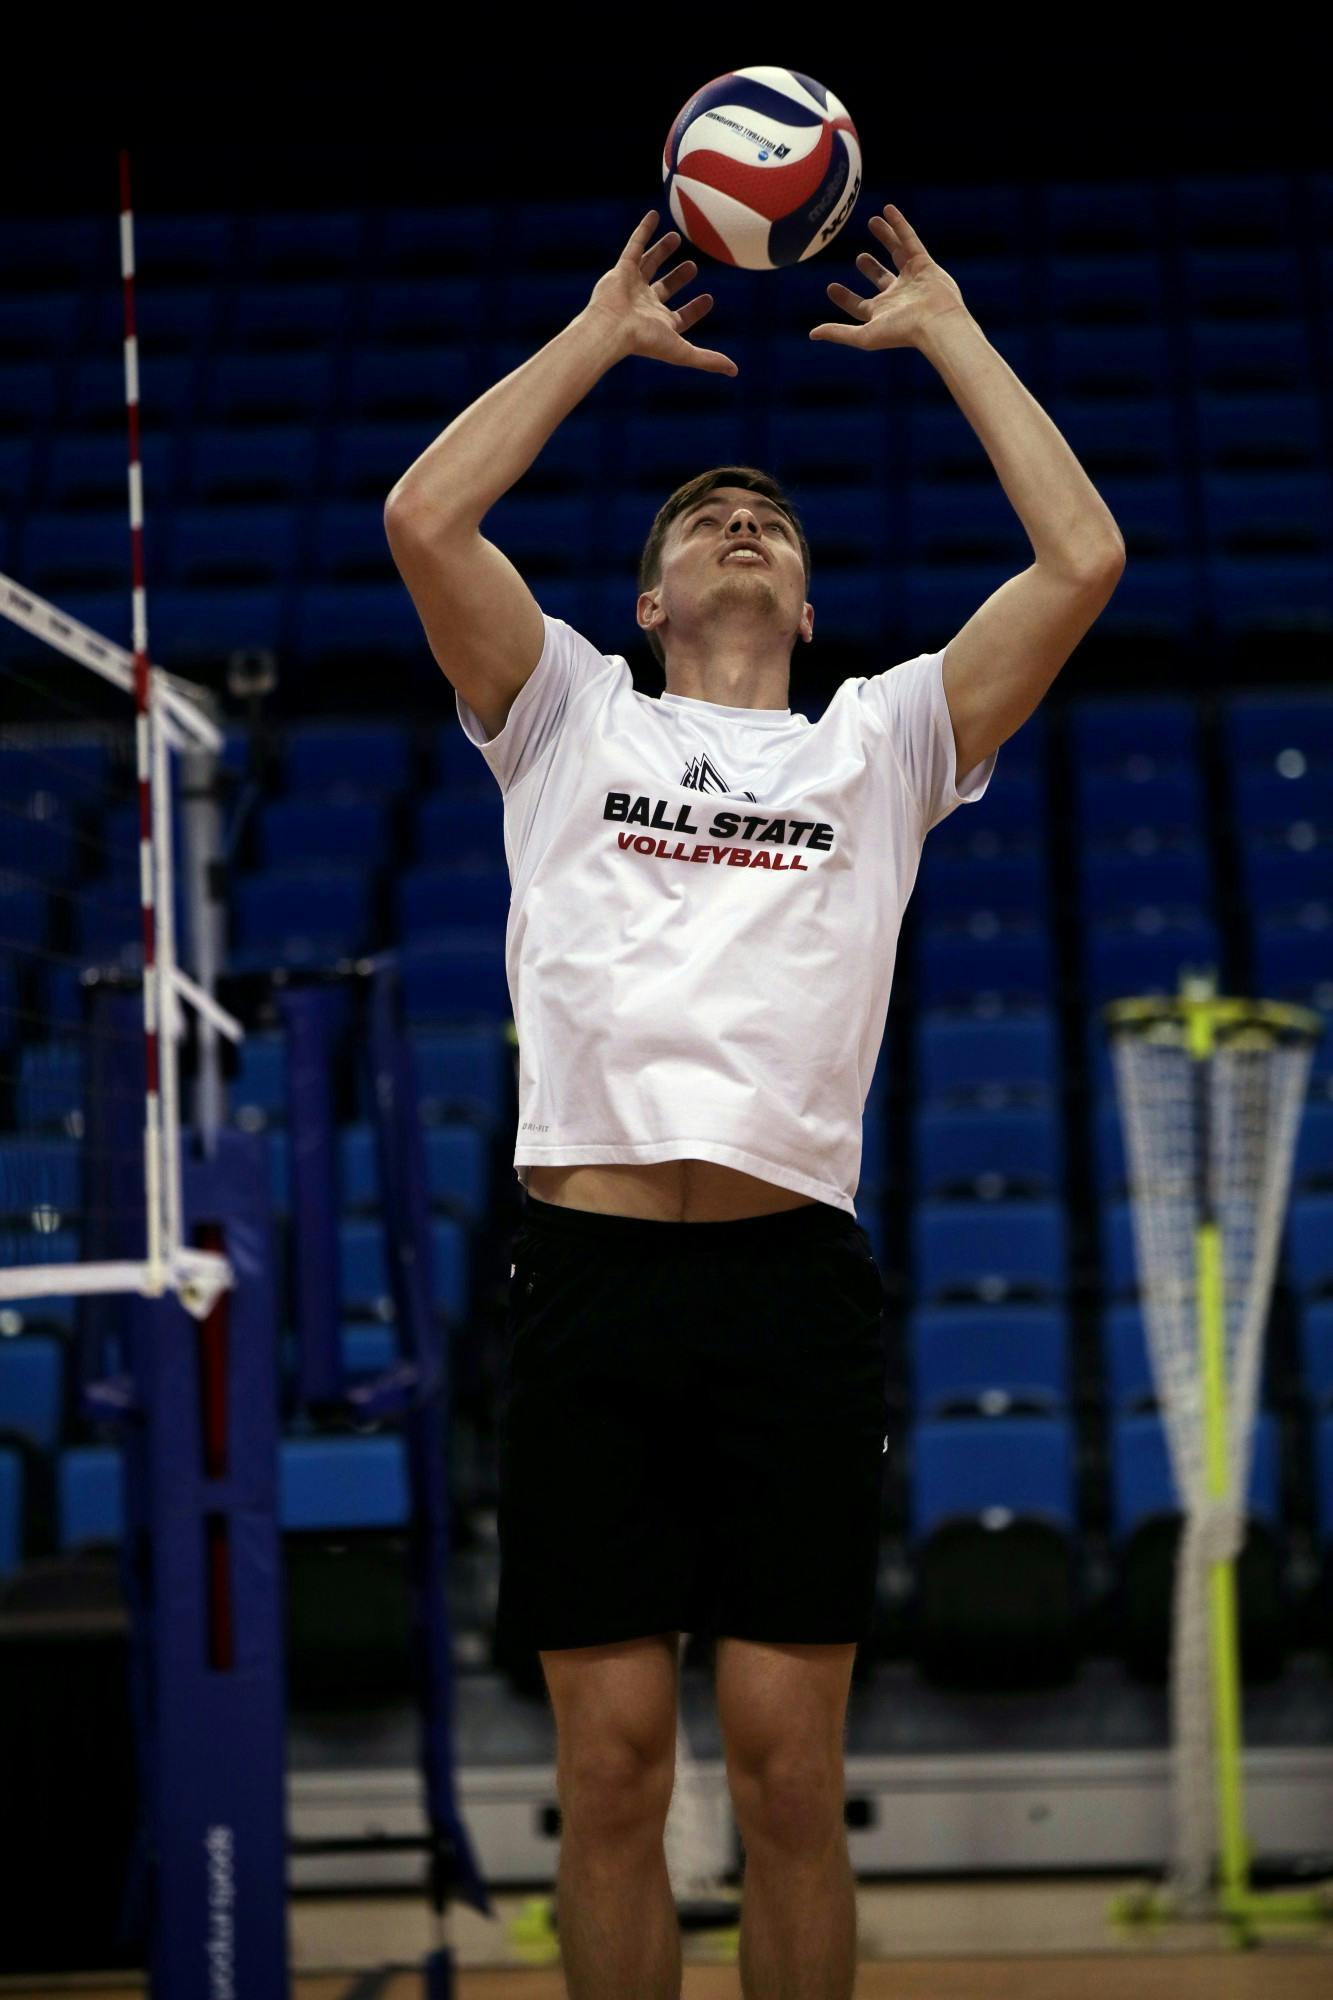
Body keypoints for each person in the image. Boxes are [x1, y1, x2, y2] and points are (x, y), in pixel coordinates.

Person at [385, 203, 1124, 2000]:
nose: (741, 523)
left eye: (771, 526)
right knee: (611, 1768)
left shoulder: (877, 744)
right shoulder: (564, 713)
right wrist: (591, 332)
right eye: (705, 521)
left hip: (792, 1296)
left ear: (805, 599)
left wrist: (947, 326)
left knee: (792, 1778)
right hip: (587, 1282)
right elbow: (422, 517)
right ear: (644, 600)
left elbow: (1083, 556)